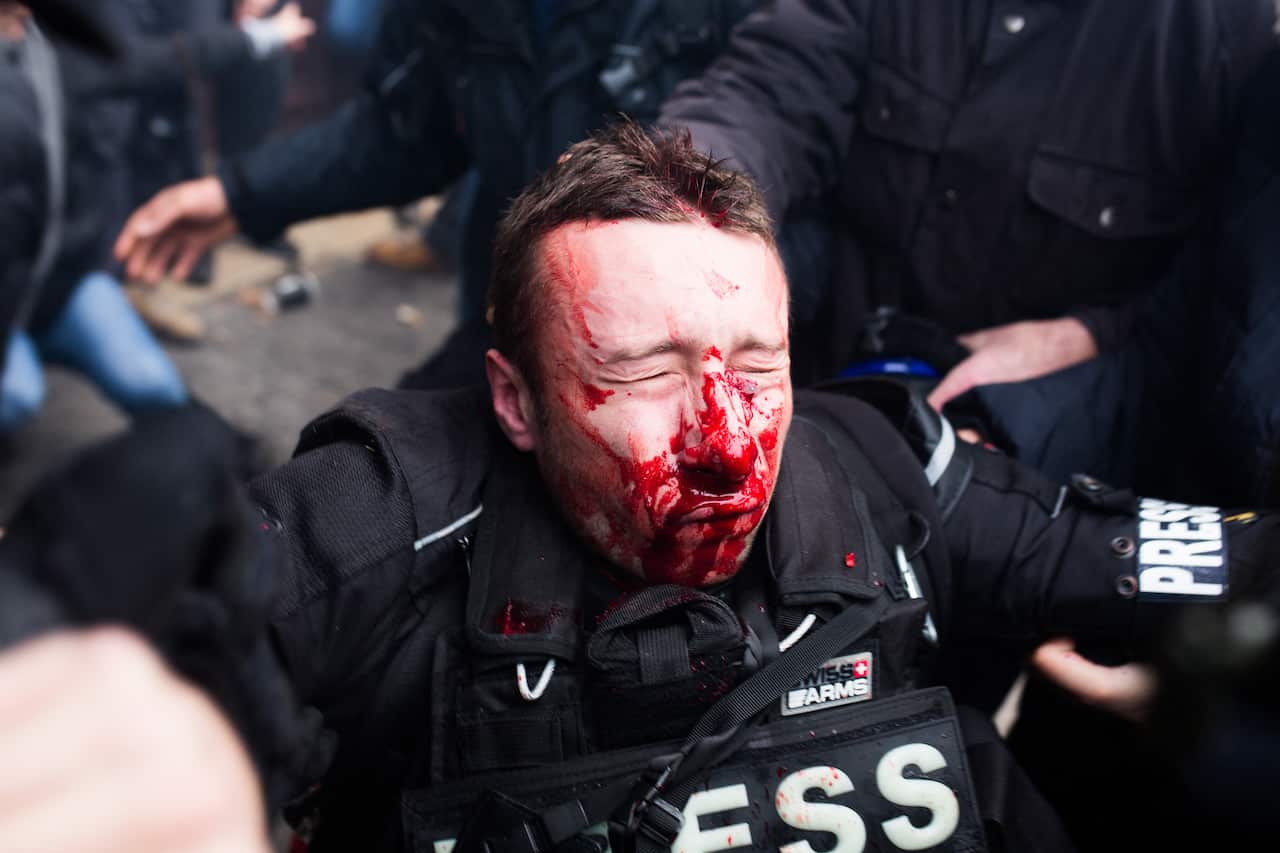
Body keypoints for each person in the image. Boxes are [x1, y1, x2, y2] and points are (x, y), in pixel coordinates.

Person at [1, 124, 1277, 851]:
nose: (729, 441)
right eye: (643, 372)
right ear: (513, 399)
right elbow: (119, 670)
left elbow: (1176, 558)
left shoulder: (882, 466)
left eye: (758, 366)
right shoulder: (387, 509)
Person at [112, 0, 763, 389]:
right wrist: (244, 192)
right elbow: (409, 124)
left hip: (700, 355)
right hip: (510, 302)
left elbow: (794, 147)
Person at [658, 0, 1278, 390]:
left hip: (1036, 417)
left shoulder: (1229, 38)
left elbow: (1228, 286)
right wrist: (677, 201)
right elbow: (771, 89)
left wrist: (1088, 337)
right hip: (824, 341)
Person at [0, 1, 315, 433]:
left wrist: (264, 35)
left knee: (155, 387)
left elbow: (161, 59)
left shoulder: (51, 54)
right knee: (16, 395)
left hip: (62, 285)